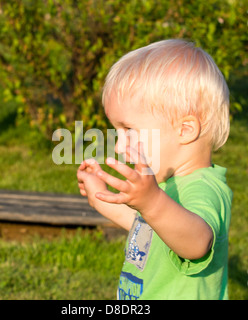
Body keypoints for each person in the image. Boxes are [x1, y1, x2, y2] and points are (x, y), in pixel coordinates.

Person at [76, 39, 233, 300]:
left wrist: (152, 202)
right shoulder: (165, 187)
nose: (119, 145)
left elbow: (197, 243)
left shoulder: (203, 188)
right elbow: (146, 228)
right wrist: (100, 197)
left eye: (129, 130)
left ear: (185, 130)